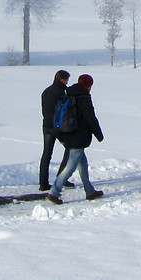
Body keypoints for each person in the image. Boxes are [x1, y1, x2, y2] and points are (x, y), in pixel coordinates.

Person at [47, 74, 104, 204]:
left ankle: (90, 191)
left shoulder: (70, 93)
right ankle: (54, 192)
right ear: (88, 85)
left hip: (68, 134)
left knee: (83, 164)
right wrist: (99, 135)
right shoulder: (83, 97)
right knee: (70, 167)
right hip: (79, 137)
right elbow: (90, 118)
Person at [38, 70, 73, 191]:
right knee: (70, 149)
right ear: (62, 80)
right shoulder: (61, 93)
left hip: (46, 126)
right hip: (58, 127)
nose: (67, 82)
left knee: (46, 154)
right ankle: (61, 178)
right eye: (67, 80)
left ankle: (43, 182)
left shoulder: (46, 92)